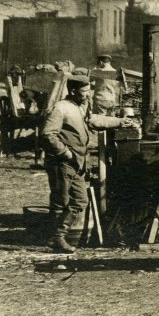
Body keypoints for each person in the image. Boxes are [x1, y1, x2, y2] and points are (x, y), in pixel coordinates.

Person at [40, 76, 93, 253]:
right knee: (60, 201)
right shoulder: (60, 108)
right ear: (73, 91)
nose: (88, 94)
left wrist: (120, 121)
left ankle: (57, 236)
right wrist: (65, 153)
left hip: (76, 163)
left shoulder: (79, 106)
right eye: (84, 91)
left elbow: (92, 121)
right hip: (61, 163)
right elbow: (48, 135)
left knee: (80, 200)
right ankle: (56, 238)